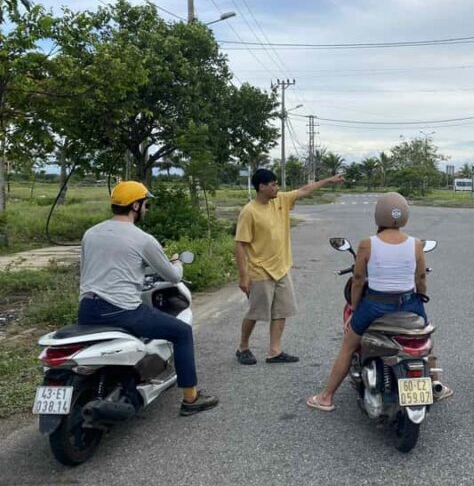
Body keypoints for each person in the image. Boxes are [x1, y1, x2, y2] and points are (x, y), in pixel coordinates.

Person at [78, 181, 218, 416]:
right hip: (122, 310)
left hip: (87, 308)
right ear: (135, 205)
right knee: (181, 332)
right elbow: (173, 277)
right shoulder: (143, 239)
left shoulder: (90, 234)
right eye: (146, 204)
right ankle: (191, 398)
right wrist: (177, 262)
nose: (147, 208)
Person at [306, 192, 452, 412]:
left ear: (378, 216)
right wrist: (421, 295)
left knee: (349, 345)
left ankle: (326, 397)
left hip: (376, 304)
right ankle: (435, 384)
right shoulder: (415, 244)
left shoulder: (367, 244)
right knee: (424, 341)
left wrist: (355, 306)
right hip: (410, 303)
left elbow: (357, 279)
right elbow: (420, 278)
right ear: (405, 216)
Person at [235, 168, 344, 365]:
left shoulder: (281, 200)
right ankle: (243, 347)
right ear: (262, 187)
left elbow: (304, 190)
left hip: (282, 268)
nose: (277, 187)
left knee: (282, 311)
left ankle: (274, 351)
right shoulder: (249, 212)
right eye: (273, 184)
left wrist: (328, 180)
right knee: (256, 312)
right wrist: (244, 276)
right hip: (260, 271)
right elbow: (240, 245)